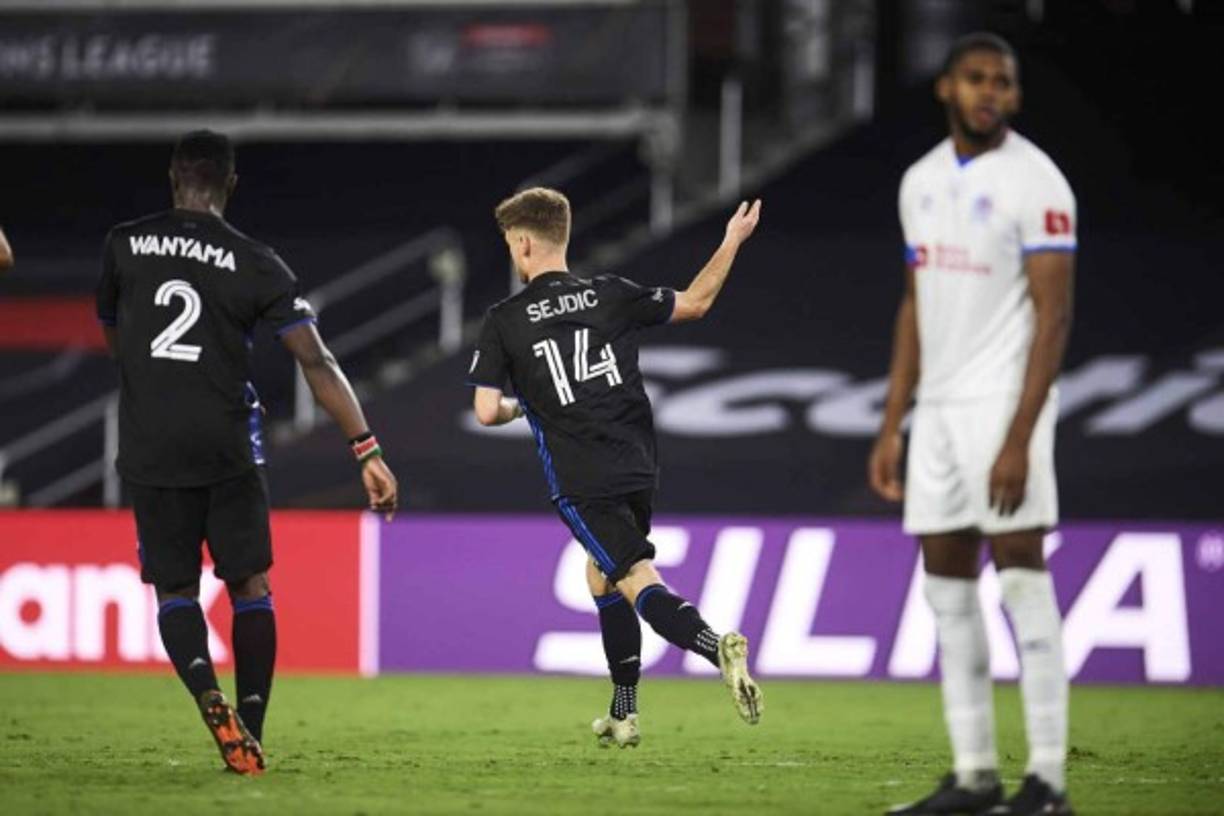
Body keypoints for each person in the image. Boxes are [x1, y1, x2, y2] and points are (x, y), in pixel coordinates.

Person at [96, 130, 398, 775]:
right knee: (249, 585)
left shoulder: (123, 244)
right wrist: (365, 448)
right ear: (231, 184)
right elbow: (316, 361)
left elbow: (115, 338)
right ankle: (251, 730)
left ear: (173, 176)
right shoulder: (257, 262)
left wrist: (153, 387)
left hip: (150, 444)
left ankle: (207, 694)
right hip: (227, 443)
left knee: (175, 589)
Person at [468, 187, 763, 747]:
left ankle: (714, 646)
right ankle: (623, 712)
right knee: (600, 574)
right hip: (638, 465)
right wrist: (731, 240)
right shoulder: (610, 292)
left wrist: (522, 404)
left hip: (582, 478)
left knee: (633, 575)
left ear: (523, 243)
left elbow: (485, 411)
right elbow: (696, 302)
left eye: (510, 243)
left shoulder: (505, 319)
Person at [870, 33, 1076, 816]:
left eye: (1003, 82)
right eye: (977, 79)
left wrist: (1020, 434)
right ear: (947, 88)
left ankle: (1048, 779)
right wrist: (893, 423)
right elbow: (914, 305)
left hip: (1003, 403)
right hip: (940, 410)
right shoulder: (920, 181)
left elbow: (1055, 317)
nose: (991, 92)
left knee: (1021, 570)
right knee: (947, 586)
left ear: (1015, 95)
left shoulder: (1038, 182)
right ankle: (975, 776)